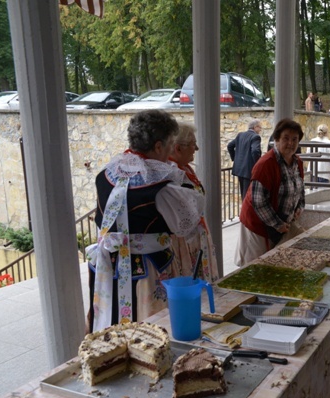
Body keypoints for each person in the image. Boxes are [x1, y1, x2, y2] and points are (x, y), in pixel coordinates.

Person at [86, 109, 205, 332]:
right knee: (149, 331)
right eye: (170, 143)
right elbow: (187, 222)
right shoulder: (161, 186)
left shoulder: (107, 172)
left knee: (114, 327)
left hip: (108, 265)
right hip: (147, 269)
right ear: (158, 146)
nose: (172, 150)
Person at [235, 118, 306, 266]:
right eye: (286, 138)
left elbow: (300, 189)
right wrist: (277, 223)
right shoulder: (266, 164)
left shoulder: (297, 163)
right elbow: (258, 201)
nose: (291, 143)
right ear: (276, 139)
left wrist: (299, 207)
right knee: (254, 267)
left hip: (279, 224)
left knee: (272, 265)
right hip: (258, 226)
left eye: (295, 139)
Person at [168, 122, 219, 283]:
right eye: (192, 144)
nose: (196, 149)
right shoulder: (172, 174)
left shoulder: (185, 169)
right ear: (178, 148)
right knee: (189, 279)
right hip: (184, 242)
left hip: (195, 237)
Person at [227, 119, 262, 198]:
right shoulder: (255, 137)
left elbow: (230, 146)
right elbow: (255, 151)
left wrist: (234, 158)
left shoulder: (240, 135)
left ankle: (244, 209)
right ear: (255, 127)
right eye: (260, 127)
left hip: (239, 170)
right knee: (248, 196)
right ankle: (246, 210)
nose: (260, 130)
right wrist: (258, 164)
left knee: (244, 194)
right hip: (249, 170)